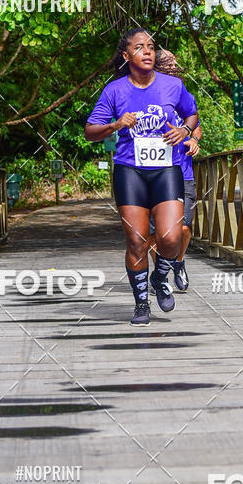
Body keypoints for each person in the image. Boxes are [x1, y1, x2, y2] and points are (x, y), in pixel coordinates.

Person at [84, 28, 199, 325]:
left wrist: (185, 130)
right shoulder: (114, 90)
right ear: (127, 56)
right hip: (130, 171)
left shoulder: (173, 85)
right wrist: (115, 124)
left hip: (166, 170)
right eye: (139, 47)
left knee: (171, 237)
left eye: (150, 47)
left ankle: (161, 277)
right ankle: (141, 305)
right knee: (136, 241)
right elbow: (90, 132)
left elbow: (192, 114)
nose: (147, 51)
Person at [148, 49, 201, 294]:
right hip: (150, 172)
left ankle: (177, 262)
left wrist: (193, 139)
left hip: (182, 171)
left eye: (173, 69)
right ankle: (161, 275)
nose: (172, 72)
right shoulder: (141, 93)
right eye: (167, 68)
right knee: (153, 234)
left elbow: (196, 125)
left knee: (183, 228)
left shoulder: (181, 91)